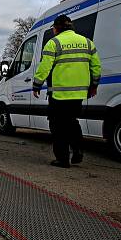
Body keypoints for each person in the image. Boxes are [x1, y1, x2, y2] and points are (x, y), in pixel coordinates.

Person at [32, 15, 101, 168]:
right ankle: (78, 150)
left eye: (53, 28)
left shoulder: (54, 43)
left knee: (57, 126)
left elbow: (45, 67)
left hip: (59, 94)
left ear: (56, 28)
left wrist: (37, 84)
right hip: (79, 94)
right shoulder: (87, 43)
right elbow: (96, 67)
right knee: (72, 122)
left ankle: (62, 159)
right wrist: (94, 86)